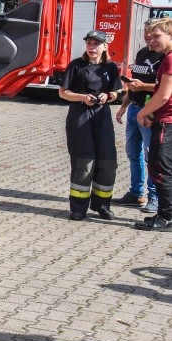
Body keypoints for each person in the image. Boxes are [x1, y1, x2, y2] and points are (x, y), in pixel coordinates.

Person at [58, 30, 120, 221]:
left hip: (102, 117)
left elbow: (116, 92)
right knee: (84, 163)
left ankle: (102, 205)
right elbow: (63, 92)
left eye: (96, 44)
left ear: (104, 46)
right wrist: (83, 98)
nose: (92, 47)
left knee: (107, 161)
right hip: (80, 116)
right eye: (89, 43)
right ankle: (78, 208)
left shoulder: (110, 67)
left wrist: (108, 96)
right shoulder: (76, 65)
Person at [114, 22, 162, 213]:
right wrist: (123, 106)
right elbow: (133, 85)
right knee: (133, 153)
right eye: (146, 33)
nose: (149, 37)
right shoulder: (142, 53)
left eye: (153, 34)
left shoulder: (165, 56)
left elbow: (165, 87)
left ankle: (154, 197)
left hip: (150, 111)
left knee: (152, 156)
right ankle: (136, 193)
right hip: (134, 108)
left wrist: (143, 86)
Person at [135, 18, 172, 231]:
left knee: (161, 168)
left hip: (167, 123)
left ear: (171, 35)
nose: (153, 39)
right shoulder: (166, 58)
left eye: (157, 35)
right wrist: (152, 113)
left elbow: (164, 95)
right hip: (164, 119)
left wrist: (143, 112)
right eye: (151, 35)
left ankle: (166, 216)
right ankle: (166, 213)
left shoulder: (169, 59)